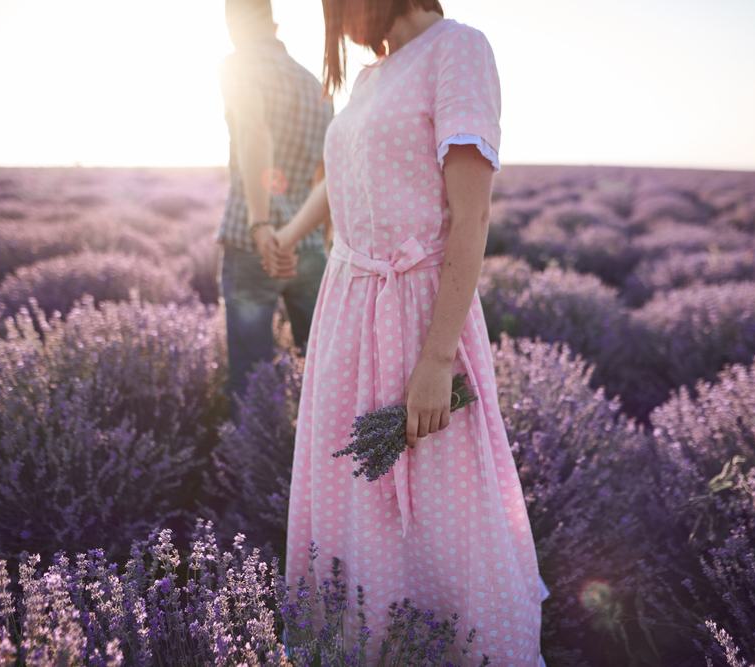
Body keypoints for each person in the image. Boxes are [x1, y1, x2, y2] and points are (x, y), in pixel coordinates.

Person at [272, 1, 543, 663]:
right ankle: (363, 646)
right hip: (345, 312)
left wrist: (437, 358)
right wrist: (289, 234)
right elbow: (341, 176)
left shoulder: (458, 49)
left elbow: (472, 218)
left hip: (417, 314)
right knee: (353, 501)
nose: (338, 24)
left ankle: (448, 648)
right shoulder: (370, 79)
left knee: (438, 505)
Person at [216, 0, 333, 404]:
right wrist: (323, 238)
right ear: (273, 24)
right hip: (309, 244)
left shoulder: (238, 65)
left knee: (250, 379)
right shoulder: (314, 83)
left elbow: (255, 132)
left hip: (252, 243)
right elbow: (326, 172)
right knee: (321, 372)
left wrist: (261, 223)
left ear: (233, 24)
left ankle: (254, 445)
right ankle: (318, 443)